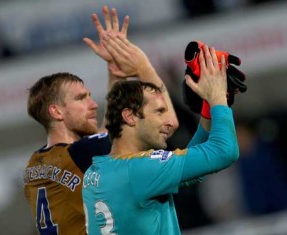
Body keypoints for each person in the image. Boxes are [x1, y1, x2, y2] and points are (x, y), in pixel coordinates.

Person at [23, 6, 178, 235]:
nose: (93, 104)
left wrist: (115, 70)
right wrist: (142, 67)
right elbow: (167, 123)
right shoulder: (84, 152)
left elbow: (106, 133)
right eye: (80, 98)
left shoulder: (34, 164)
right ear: (56, 112)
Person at [82, 39, 239, 234]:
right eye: (159, 112)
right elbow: (225, 152)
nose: (170, 122)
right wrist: (218, 97)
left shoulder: (98, 171)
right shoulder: (141, 169)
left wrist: (209, 107)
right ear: (130, 117)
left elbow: (189, 168)